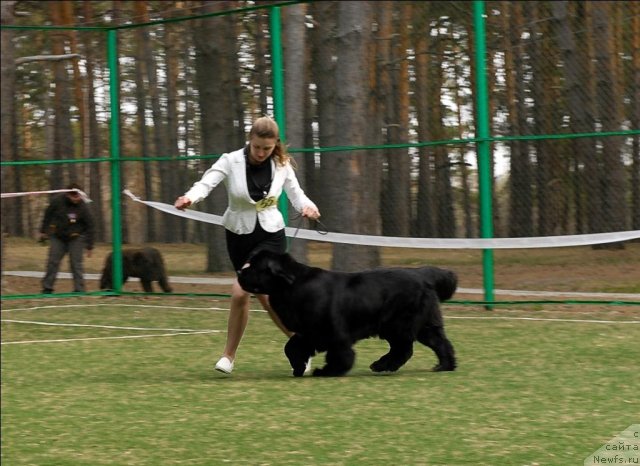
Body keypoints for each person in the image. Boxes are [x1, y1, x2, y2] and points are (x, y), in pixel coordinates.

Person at [174, 116, 320, 374]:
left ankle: (228, 356)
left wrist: (308, 207)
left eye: (268, 148)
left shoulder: (282, 163)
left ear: (275, 144)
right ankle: (302, 344)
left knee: (241, 291)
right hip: (239, 235)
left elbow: (296, 193)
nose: (262, 153)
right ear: (249, 140)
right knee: (265, 297)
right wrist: (189, 197)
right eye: (257, 147)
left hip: (271, 234)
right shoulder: (230, 161)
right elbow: (207, 183)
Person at [40, 183, 95, 293]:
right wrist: (43, 231)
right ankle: (47, 287)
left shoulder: (84, 207)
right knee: (53, 262)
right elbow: (48, 214)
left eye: (78, 196)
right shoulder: (57, 201)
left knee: (76, 264)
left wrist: (90, 246)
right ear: (67, 195)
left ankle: (79, 289)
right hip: (58, 236)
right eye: (73, 196)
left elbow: (91, 226)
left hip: (76, 237)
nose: (76, 199)